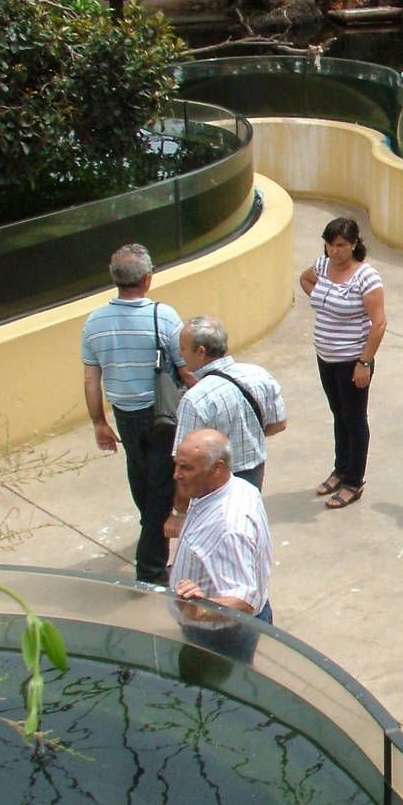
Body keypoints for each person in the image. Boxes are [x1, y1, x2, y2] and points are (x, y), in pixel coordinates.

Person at [82, 243, 191, 584]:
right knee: (161, 486)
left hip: (124, 414)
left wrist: (99, 422)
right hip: (161, 414)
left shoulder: (95, 322)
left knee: (141, 476)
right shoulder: (164, 316)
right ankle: (151, 569)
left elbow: (91, 378)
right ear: (147, 279)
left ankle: (150, 531)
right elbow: (185, 368)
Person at [165, 316, 286, 540]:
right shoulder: (259, 374)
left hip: (213, 483)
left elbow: (185, 464)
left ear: (200, 351)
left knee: (214, 540)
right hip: (253, 474)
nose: (180, 354)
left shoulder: (195, 400)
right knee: (246, 532)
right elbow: (279, 424)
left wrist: (178, 513)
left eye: (183, 348)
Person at [298, 217, 386, 509]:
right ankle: (341, 468)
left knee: (355, 419)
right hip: (326, 357)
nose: (333, 251)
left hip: (352, 361)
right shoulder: (322, 266)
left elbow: (379, 324)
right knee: (339, 414)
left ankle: (354, 481)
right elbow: (304, 279)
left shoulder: (366, 277)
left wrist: (364, 362)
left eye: (340, 245)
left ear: (353, 244)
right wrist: (323, 300)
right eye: (329, 245)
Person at [170, 428, 273, 639]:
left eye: (186, 468)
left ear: (217, 468)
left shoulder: (228, 528)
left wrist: (199, 611)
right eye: (177, 465)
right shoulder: (239, 487)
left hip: (221, 636)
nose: (176, 474)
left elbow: (245, 602)